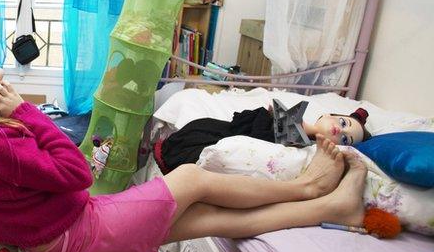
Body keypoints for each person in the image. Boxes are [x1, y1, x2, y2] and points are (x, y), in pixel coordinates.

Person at [0, 50, 366, 252]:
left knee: (207, 217)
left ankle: (329, 206)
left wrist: (20, 116)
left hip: (65, 228)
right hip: (76, 235)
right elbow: (75, 174)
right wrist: (25, 110)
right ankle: (309, 187)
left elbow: (60, 177)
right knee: (192, 178)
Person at [155, 103, 371, 173]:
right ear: (327, 115)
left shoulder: (310, 153)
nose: (339, 131)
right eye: (343, 124)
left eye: (345, 140)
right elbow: (242, 124)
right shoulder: (291, 117)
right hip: (211, 133)